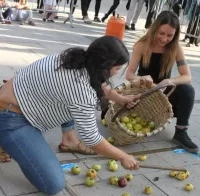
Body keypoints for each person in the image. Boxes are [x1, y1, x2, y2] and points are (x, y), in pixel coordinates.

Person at [0, 36, 139, 194]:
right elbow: (92, 138)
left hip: (13, 94)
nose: (115, 73)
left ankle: (67, 139)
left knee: (73, 103)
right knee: (53, 183)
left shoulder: (73, 59)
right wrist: (122, 156)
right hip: (11, 118)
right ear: (104, 66)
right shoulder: (81, 92)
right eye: (116, 69)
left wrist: (121, 99)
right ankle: (7, 139)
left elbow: (99, 84)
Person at [126, 11, 199, 154]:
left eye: (170, 35)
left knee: (187, 90)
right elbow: (129, 74)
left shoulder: (175, 48)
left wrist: (170, 81)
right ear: (155, 28)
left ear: (175, 35)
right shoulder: (141, 45)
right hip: (144, 93)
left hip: (164, 94)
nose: (165, 39)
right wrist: (140, 78)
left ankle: (180, 132)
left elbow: (187, 76)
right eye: (161, 33)